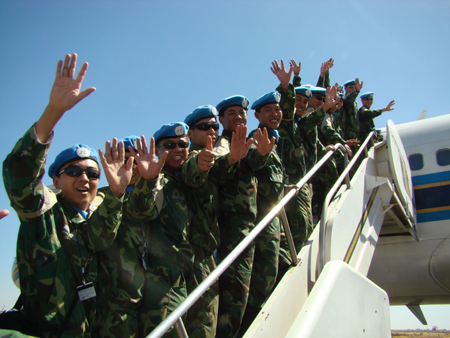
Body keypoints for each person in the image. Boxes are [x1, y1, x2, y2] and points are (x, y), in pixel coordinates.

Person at [2, 53, 131, 337]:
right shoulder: (42, 215)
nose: (85, 178)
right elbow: (21, 178)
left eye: (93, 173)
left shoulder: (104, 214)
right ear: (56, 180)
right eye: (73, 171)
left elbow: (98, 239)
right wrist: (53, 113)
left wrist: (118, 192)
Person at [182, 105, 251, 337]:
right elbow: (194, 170)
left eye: (213, 126)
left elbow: (218, 168)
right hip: (193, 256)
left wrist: (232, 157)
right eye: (204, 127)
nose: (211, 131)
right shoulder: (190, 156)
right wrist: (220, 159)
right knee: (202, 324)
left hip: (210, 250)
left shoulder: (214, 154)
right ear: (190, 134)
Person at [127, 123, 195, 337]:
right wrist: (148, 180)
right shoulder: (158, 179)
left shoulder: (184, 178)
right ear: (157, 150)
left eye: (182, 144)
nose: (177, 149)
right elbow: (142, 211)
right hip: (159, 279)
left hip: (182, 273)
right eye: (169, 145)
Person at [214, 95, 273, 338]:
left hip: (252, 222)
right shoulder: (221, 144)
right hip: (231, 225)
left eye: (241, 112)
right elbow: (216, 172)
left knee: (252, 286)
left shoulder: (248, 140)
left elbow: (253, 168)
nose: (238, 116)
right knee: (234, 292)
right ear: (221, 120)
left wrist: (261, 154)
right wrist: (232, 157)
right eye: (231, 114)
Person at [239, 92, 291, 334]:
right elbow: (250, 164)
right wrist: (260, 154)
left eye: (277, 109)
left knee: (282, 266)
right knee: (264, 276)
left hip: (276, 216)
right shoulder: (256, 138)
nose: (275, 113)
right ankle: (253, 328)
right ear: (257, 116)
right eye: (268, 110)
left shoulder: (275, 138)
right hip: (263, 217)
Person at [95, 135, 149, 338]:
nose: (132, 166)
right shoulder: (100, 197)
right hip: (115, 303)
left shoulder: (155, 193)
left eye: (136, 160)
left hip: (153, 297)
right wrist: (116, 194)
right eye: (125, 159)